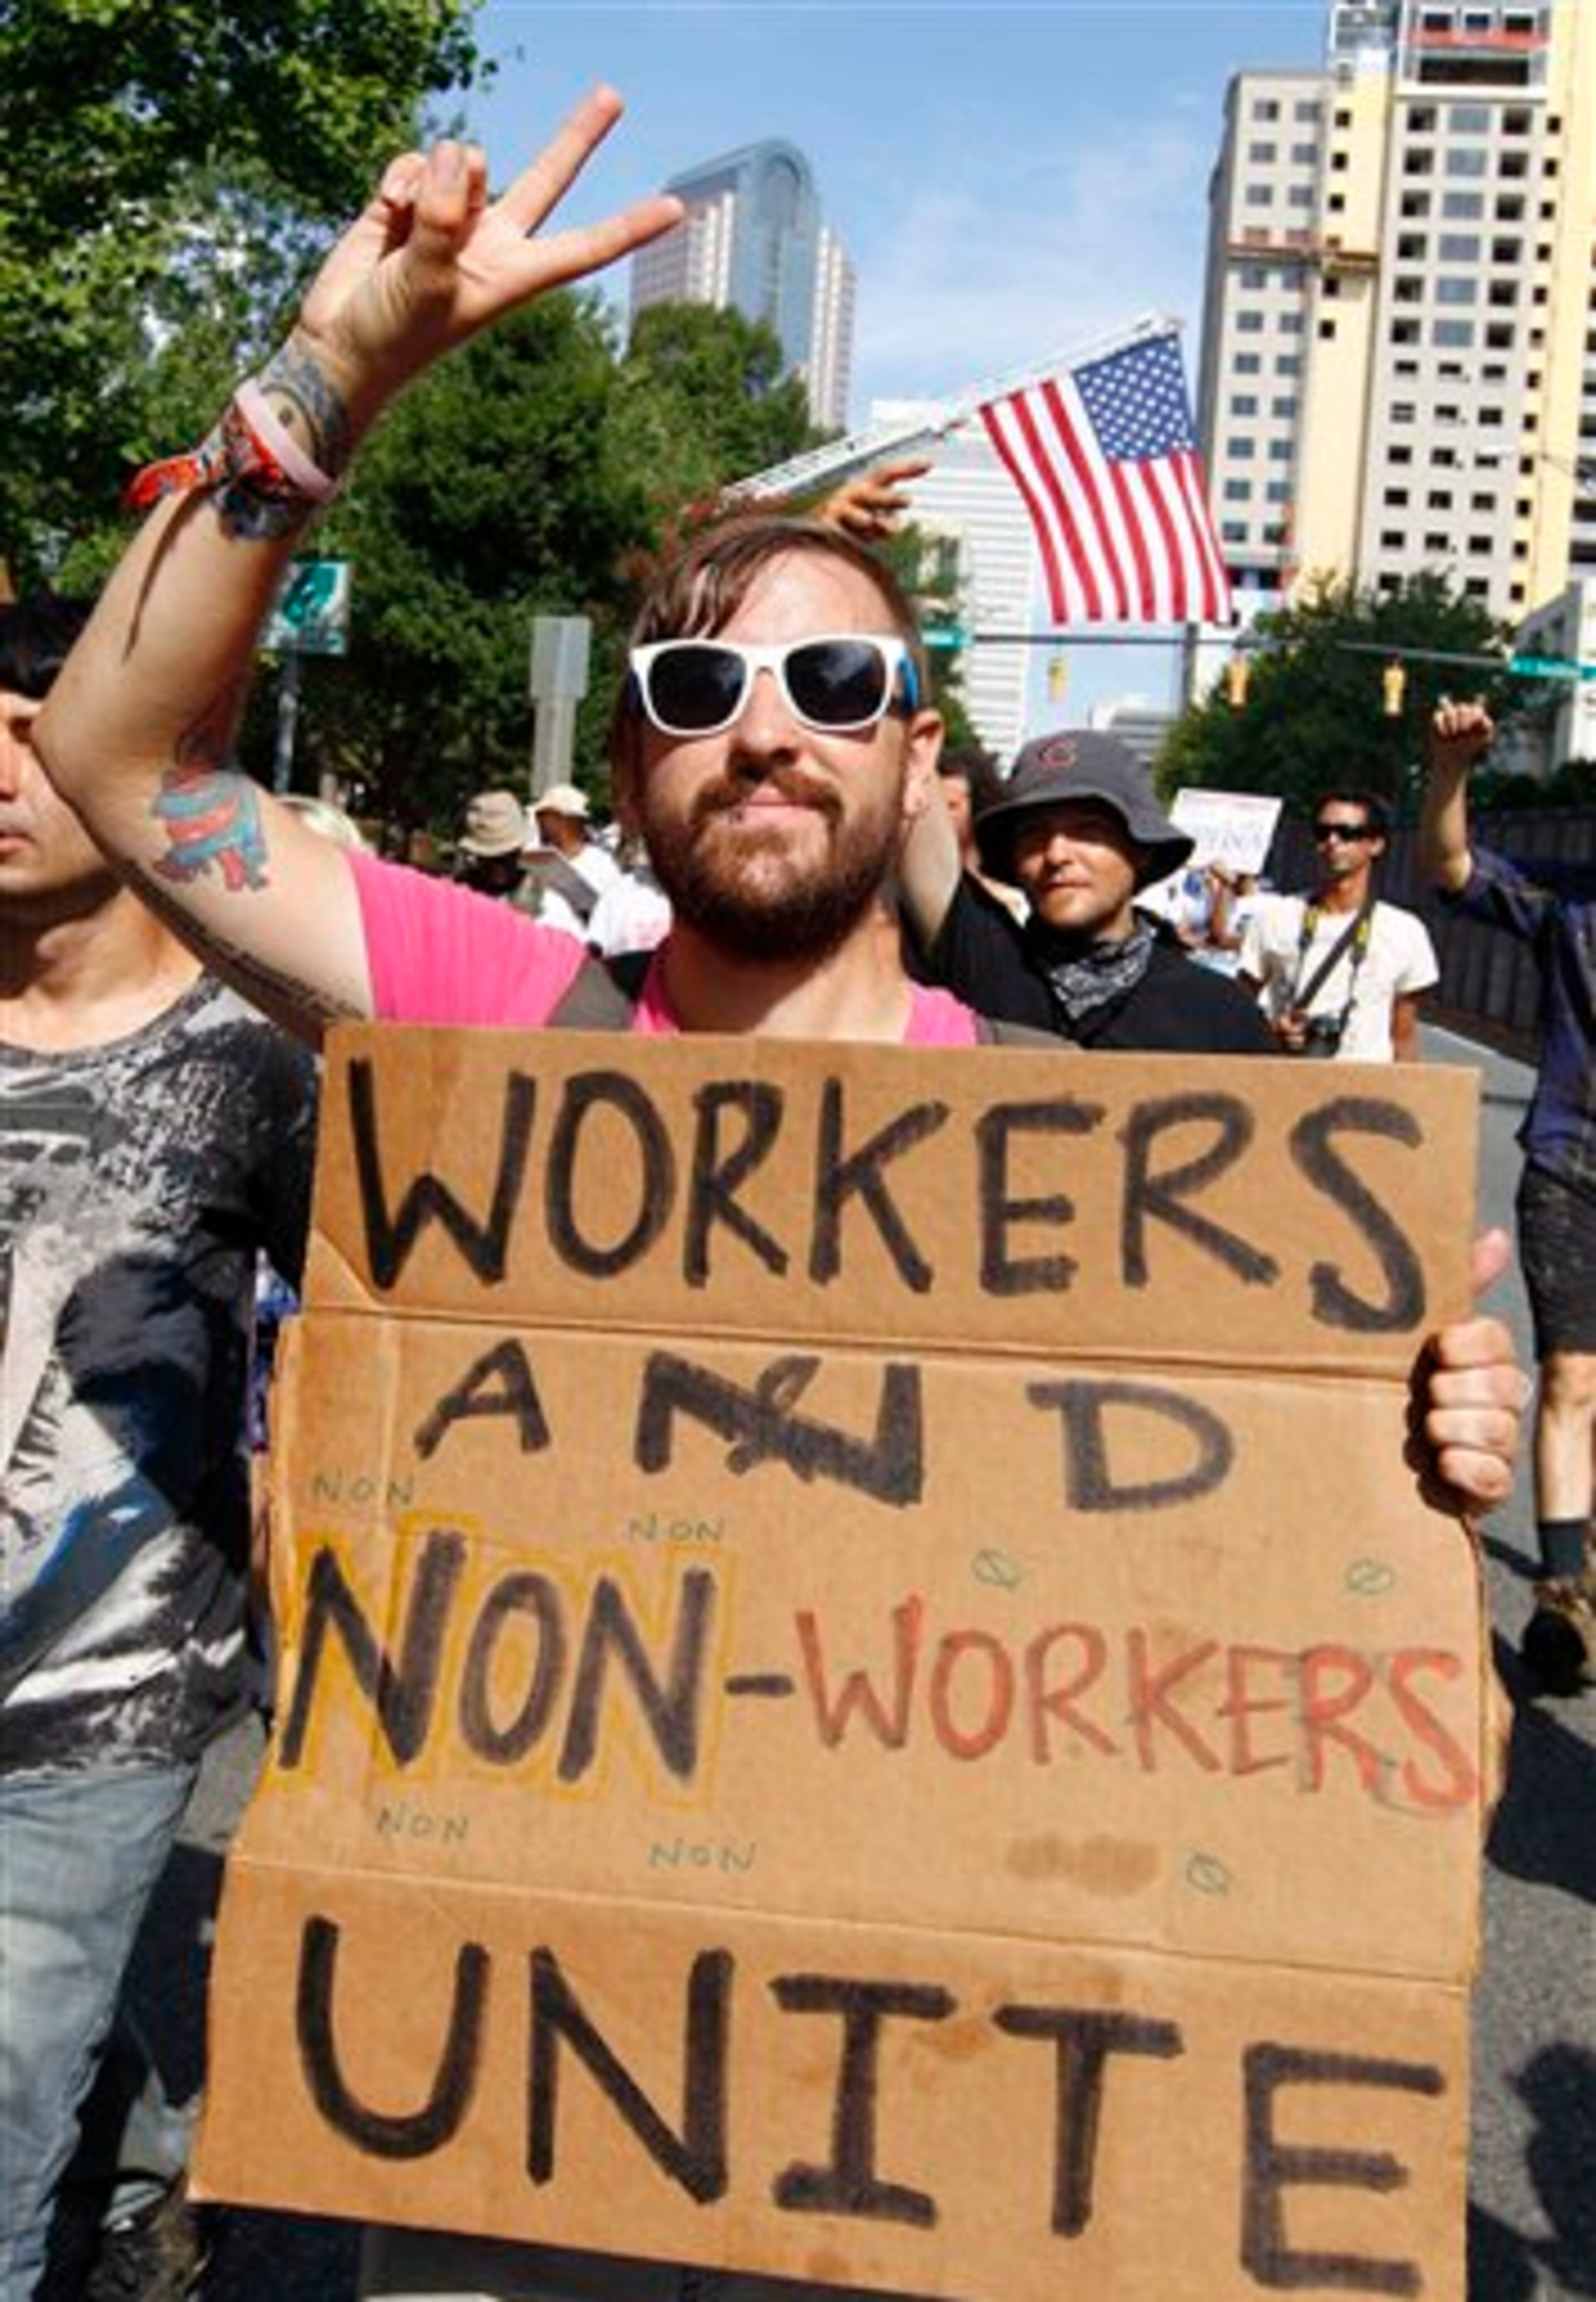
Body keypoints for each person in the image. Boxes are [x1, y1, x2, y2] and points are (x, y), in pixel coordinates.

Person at [30, 92, 1525, 2300]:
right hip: (513, 2130)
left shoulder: (1081, 1163)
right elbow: (122, 763)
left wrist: (1420, 1487)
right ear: (633, 766)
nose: (768, 727)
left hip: (940, 2154)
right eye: (698, 688)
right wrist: (332, 367)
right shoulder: (511, 1020)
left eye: (840, 684)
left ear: (925, 755)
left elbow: (1363, 1768)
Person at [0, 596, 318, 2299]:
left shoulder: (252, 1059)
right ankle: (125, 2190)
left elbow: (375, 1327)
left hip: (92, 1710)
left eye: (31, 731)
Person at [1422, 696, 1596, 1693]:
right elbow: (1450, 867)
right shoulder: (1564, 906)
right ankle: (1562, 1595)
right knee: (1571, 1377)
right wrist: (1448, 771)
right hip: (1570, 1162)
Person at [897, 727, 1274, 1052]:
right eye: (1033, 835)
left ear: (1139, 850)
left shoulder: (1220, 1013)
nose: (1057, 854)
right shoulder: (986, 964)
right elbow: (917, 819)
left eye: (1089, 830)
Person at [1239, 790, 1438, 1061]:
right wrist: (1273, 1031)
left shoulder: (1405, 931)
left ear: (1376, 844)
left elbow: (1403, 1038)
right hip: (1285, 1085)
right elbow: (1237, 1009)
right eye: (1323, 832)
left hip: (1364, 1093)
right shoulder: (1276, 917)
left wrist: (1413, 1098)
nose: (1333, 841)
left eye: (1348, 833)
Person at [521, 779, 621, 938]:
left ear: (561, 819)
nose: (538, 821)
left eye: (542, 815)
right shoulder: (535, 858)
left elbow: (613, 920)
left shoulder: (604, 865)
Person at [454, 786, 532, 900]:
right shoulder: (461, 891)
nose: (499, 867)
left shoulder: (539, 897)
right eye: (491, 859)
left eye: (507, 857)